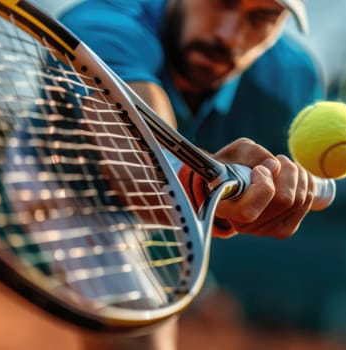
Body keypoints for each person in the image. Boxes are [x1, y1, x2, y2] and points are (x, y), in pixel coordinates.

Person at [55, 0, 325, 348]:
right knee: (139, 339)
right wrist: (208, 182)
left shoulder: (292, 81)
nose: (229, 36)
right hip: (66, 184)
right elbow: (141, 162)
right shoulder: (106, 23)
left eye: (263, 17)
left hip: (170, 221)